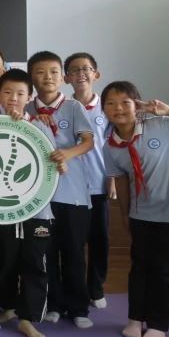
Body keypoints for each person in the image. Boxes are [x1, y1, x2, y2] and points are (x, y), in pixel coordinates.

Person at [102, 82, 169, 337]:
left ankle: (158, 324)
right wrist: (125, 215)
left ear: (137, 105)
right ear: (104, 109)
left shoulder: (161, 126)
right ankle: (135, 319)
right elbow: (121, 181)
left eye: (125, 102)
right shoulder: (110, 146)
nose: (118, 108)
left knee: (166, 270)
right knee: (140, 268)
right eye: (111, 103)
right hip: (141, 214)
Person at [0, 69, 64, 337]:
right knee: (6, 261)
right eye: (7, 92)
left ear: (30, 97)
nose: (13, 98)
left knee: (35, 263)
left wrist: (61, 164)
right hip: (3, 209)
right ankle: (9, 306)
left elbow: (52, 165)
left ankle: (28, 318)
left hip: (37, 209)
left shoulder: (40, 126)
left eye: (20, 93)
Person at [26, 51, 95, 329]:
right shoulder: (27, 109)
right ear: (32, 77)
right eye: (41, 72)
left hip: (73, 193)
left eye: (54, 72)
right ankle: (54, 304)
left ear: (63, 77)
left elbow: (88, 141)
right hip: (41, 197)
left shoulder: (74, 107)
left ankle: (78, 307)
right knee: (47, 252)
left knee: (74, 252)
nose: (48, 77)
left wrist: (66, 153)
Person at [64, 52, 114, 309]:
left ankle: (96, 288)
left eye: (86, 68)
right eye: (74, 70)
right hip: (70, 187)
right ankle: (75, 290)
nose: (80, 73)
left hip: (98, 184)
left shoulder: (107, 108)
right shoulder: (64, 107)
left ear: (96, 74)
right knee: (73, 242)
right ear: (66, 78)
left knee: (99, 239)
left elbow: (114, 147)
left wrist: (112, 179)